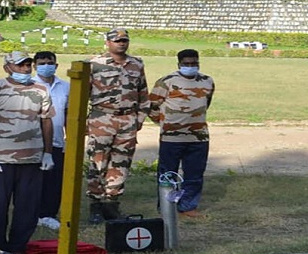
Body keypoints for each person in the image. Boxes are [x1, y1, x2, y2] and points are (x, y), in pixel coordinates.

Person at [0, 51, 55, 254]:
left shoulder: (41, 89)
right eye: (20, 65)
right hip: (2, 158)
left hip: (32, 157)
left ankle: (18, 246)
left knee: (28, 206)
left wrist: (48, 152)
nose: (25, 69)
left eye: (28, 65)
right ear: (7, 67)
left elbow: (46, 121)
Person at [86, 28, 150, 224]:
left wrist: (138, 119)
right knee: (97, 163)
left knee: (121, 164)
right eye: (117, 40)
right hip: (102, 118)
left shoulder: (136, 64)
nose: (121, 43)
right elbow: (82, 94)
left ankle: (111, 204)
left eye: (124, 40)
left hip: (127, 120)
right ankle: (96, 206)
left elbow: (143, 94)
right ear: (108, 43)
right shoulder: (95, 64)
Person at [148, 49, 215, 218]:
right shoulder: (166, 82)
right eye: (187, 64)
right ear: (179, 64)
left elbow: (205, 104)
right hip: (171, 138)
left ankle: (188, 206)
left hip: (198, 137)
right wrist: (165, 123)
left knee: (194, 174)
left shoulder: (207, 81)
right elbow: (152, 106)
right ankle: (166, 205)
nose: (191, 67)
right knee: (168, 174)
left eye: (194, 63)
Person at [33, 51, 69, 231]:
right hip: (33, 142)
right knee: (33, 181)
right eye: (42, 63)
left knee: (54, 181)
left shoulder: (65, 86)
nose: (46, 66)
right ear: (34, 66)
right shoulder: (29, 85)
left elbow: (69, 113)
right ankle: (33, 213)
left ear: (56, 65)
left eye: (50, 62)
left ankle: (48, 214)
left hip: (56, 141)